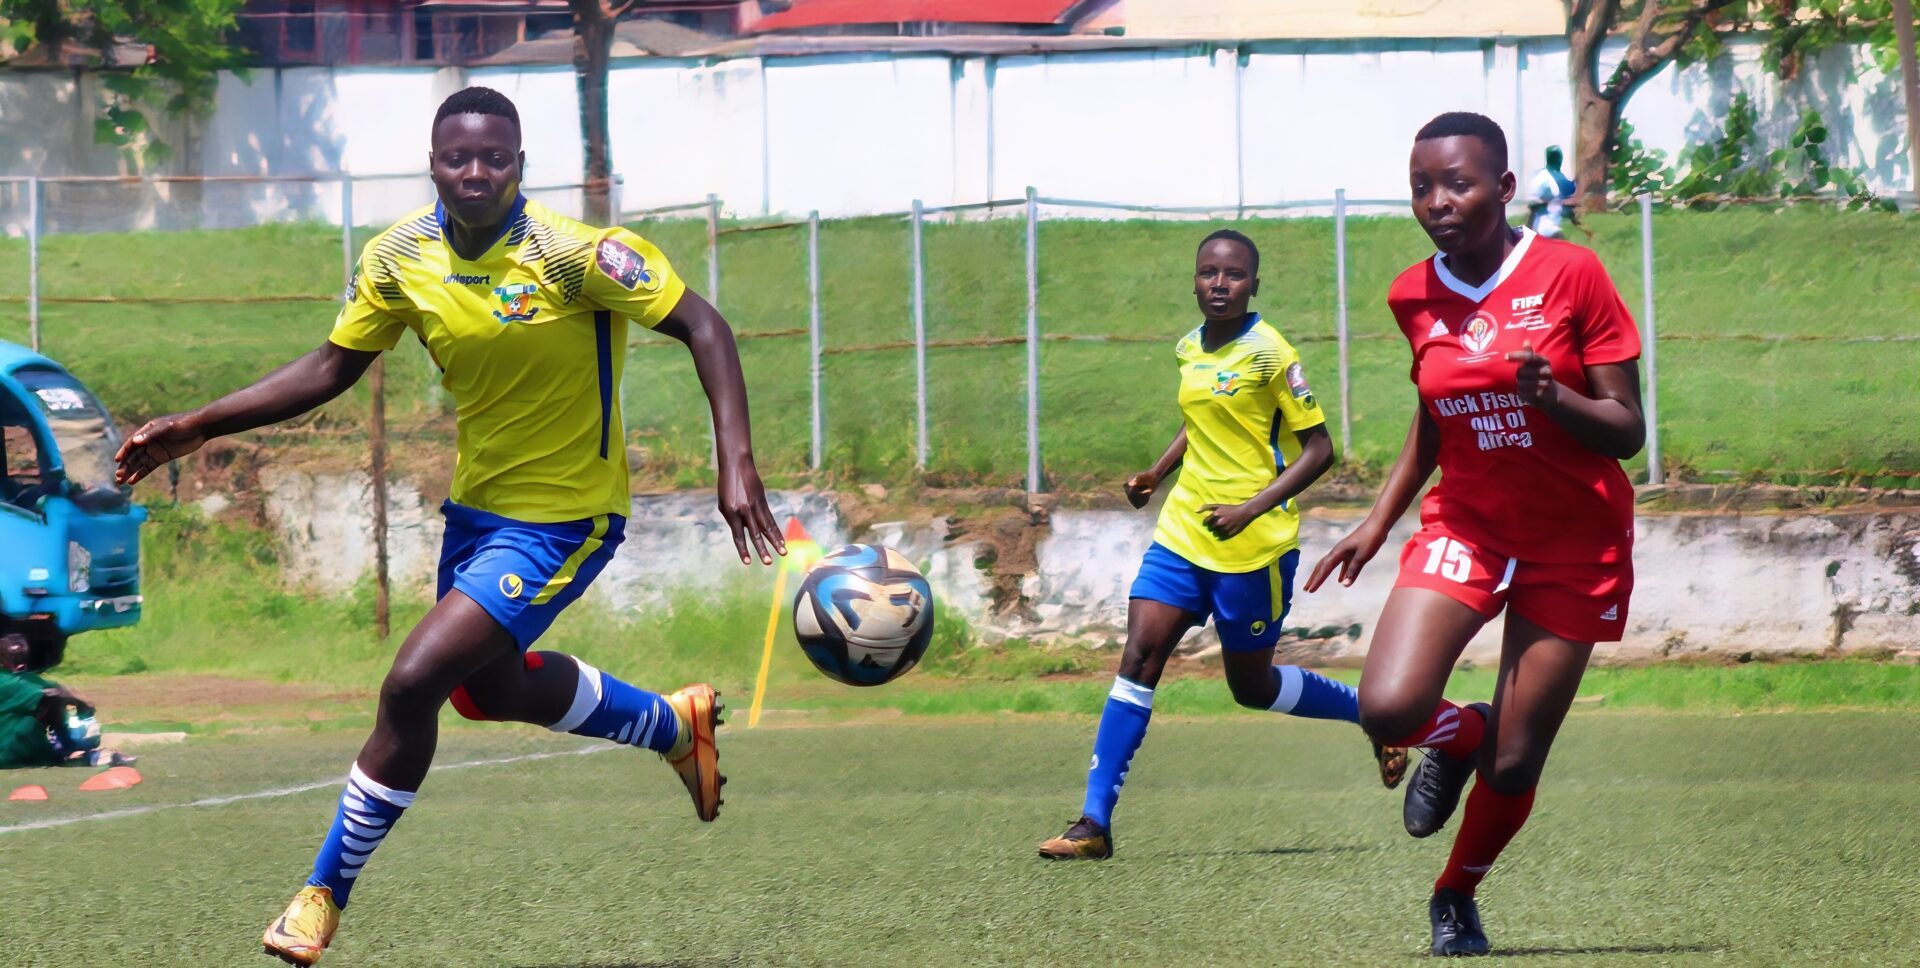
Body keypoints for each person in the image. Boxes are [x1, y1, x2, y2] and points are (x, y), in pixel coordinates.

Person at [113, 87, 786, 966]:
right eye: (457, 157)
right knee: (484, 693)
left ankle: (321, 895)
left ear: (519, 166)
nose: (475, 172)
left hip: (566, 518)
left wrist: (736, 461)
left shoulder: (578, 255)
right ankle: (670, 725)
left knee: (412, 685)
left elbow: (704, 324)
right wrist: (199, 425)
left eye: (494, 158)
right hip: (478, 513)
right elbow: (330, 366)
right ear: (432, 164)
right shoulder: (400, 257)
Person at [1305, 112, 1643, 956]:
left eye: (1457, 183)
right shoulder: (1411, 295)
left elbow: (1627, 428)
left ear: (1504, 187)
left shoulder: (1572, 273)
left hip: (1575, 539)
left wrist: (1554, 398)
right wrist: (1377, 521)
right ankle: (1462, 734)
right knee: (1388, 707)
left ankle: (1454, 895)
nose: (1438, 201)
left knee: (1517, 764)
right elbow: (1435, 410)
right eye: (1422, 187)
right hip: (1471, 524)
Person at [1037, 229, 1407, 862]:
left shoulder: (1272, 354)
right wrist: (1157, 473)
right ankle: (1093, 823)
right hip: (1184, 532)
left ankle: (1371, 716)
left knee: (1251, 687)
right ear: (1194, 281)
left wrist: (1250, 508)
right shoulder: (1189, 347)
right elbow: (1200, 420)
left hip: (1253, 546)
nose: (1219, 283)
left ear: (1253, 285)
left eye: (1234, 274)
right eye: (1209, 272)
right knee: (1139, 656)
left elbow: (1320, 450)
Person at [0, 632, 133, 770]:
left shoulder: (20, 679)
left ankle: (70, 751)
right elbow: (52, 695)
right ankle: (70, 751)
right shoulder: (9, 681)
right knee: (49, 704)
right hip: (9, 754)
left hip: (11, 750)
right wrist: (83, 706)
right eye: (14, 657)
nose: (20, 663)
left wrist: (72, 699)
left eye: (22, 657)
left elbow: (54, 688)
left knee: (47, 704)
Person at [1525, 146, 1579, 240]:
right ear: (1559, 159)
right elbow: (1571, 189)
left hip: (1539, 228)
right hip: (1548, 228)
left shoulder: (1540, 176)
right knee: (1562, 246)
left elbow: (1535, 205)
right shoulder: (1553, 177)